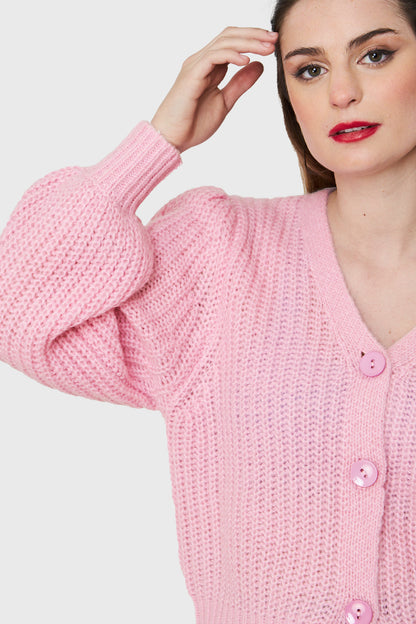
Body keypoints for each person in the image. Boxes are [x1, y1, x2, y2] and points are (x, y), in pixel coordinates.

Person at [0, 0, 415, 621]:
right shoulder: (218, 256)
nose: (342, 93)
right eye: (309, 69)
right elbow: (17, 302)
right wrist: (157, 142)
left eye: (375, 55)